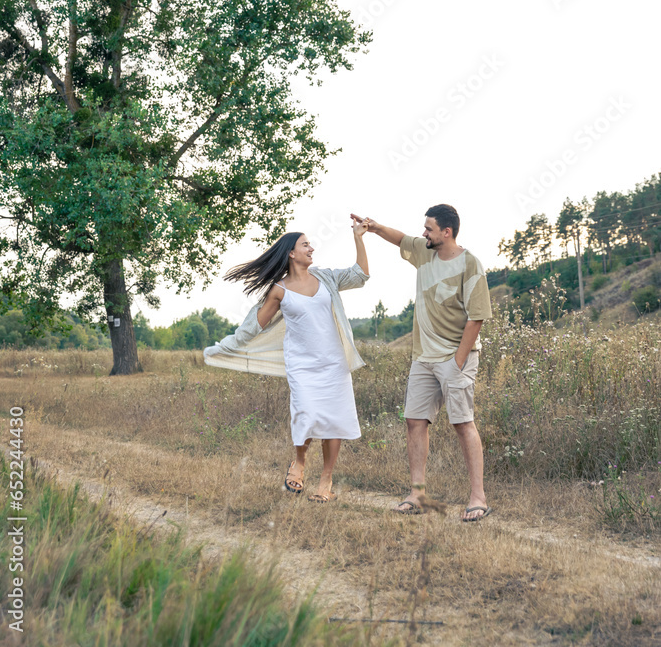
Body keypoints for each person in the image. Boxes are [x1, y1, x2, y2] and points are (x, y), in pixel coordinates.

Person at [203, 217, 370, 502]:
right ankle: (300, 462)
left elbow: (360, 275)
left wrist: (358, 237)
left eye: (311, 244)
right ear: (291, 253)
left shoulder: (326, 277)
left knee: (334, 419)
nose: (312, 248)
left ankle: (326, 480)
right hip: (302, 365)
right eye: (305, 244)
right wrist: (224, 347)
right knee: (305, 412)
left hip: (334, 363)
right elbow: (253, 327)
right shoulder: (279, 290)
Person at [351, 204, 493, 521]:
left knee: (462, 423)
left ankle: (478, 497)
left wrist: (458, 361)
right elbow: (399, 238)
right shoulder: (424, 252)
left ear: (447, 232)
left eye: (429, 228)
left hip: (457, 358)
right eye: (424, 227)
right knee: (414, 421)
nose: (423, 233)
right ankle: (417, 493)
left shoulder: (471, 265)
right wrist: (372, 227)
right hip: (423, 359)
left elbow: (477, 317)